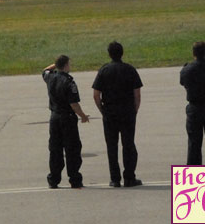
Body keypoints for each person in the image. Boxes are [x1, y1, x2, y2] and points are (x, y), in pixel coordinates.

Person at [92, 41, 143, 187]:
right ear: (122, 53)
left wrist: (102, 110)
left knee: (111, 146)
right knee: (128, 145)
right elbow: (137, 95)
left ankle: (115, 179)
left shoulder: (104, 70)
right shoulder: (130, 69)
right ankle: (129, 177)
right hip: (127, 112)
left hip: (110, 113)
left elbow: (96, 95)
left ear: (109, 54)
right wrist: (134, 110)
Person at [42, 55, 90, 189]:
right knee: (72, 150)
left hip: (54, 118)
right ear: (66, 66)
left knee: (55, 149)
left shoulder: (50, 77)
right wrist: (83, 116)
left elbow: (45, 70)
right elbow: (74, 104)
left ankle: (54, 179)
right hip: (67, 119)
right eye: (69, 64)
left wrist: (55, 65)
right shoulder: (69, 82)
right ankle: (74, 179)